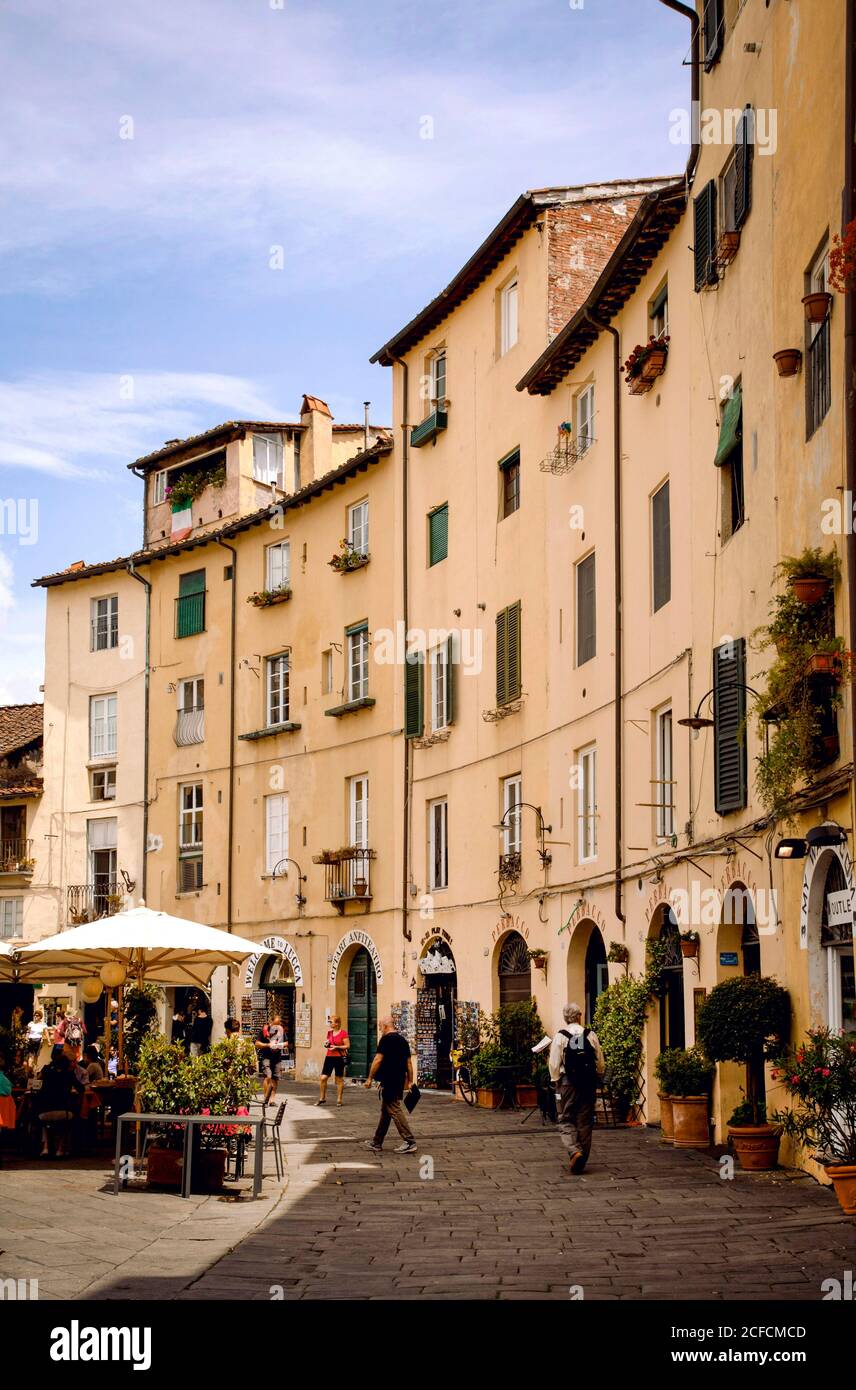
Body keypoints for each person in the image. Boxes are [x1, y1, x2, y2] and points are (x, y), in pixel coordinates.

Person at [548, 1002, 605, 1174]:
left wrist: (555, 1079)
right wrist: (599, 1075)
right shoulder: (590, 1034)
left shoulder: (561, 1036)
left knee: (565, 1118)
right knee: (585, 1121)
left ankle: (574, 1151)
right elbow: (600, 1061)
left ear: (565, 1018)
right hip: (587, 1083)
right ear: (579, 1016)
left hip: (568, 1083)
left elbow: (554, 1063)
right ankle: (582, 1157)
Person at [363, 1017, 417, 1154]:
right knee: (386, 1112)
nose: (380, 1029)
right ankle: (377, 1141)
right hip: (398, 1080)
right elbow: (409, 1063)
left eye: (380, 1026)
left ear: (386, 1026)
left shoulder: (386, 1040)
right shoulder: (403, 1040)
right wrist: (410, 1081)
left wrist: (369, 1078)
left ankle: (409, 1141)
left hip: (389, 1080)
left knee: (394, 1109)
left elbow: (378, 1059)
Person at [37, 1049, 83, 1158]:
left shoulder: (47, 1071)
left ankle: (46, 1147)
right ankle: (60, 1148)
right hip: (64, 1111)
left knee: (44, 1121)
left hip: (45, 1111)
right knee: (68, 1120)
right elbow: (81, 1088)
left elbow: (37, 1085)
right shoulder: (69, 1074)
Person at [316, 1016, 350, 1107]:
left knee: (339, 1079)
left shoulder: (343, 1033)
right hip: (329, 1057)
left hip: (339, 1058)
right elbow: (329, 1042)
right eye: (329, 1022)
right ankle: (322, 1098)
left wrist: (337, 1047)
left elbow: (347, 1046)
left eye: (331, 1022)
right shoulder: (329, 1033)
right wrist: (326, 1044)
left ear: (337, 1023)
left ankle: (339, 1099)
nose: (330, 1023)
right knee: (323, 1078)